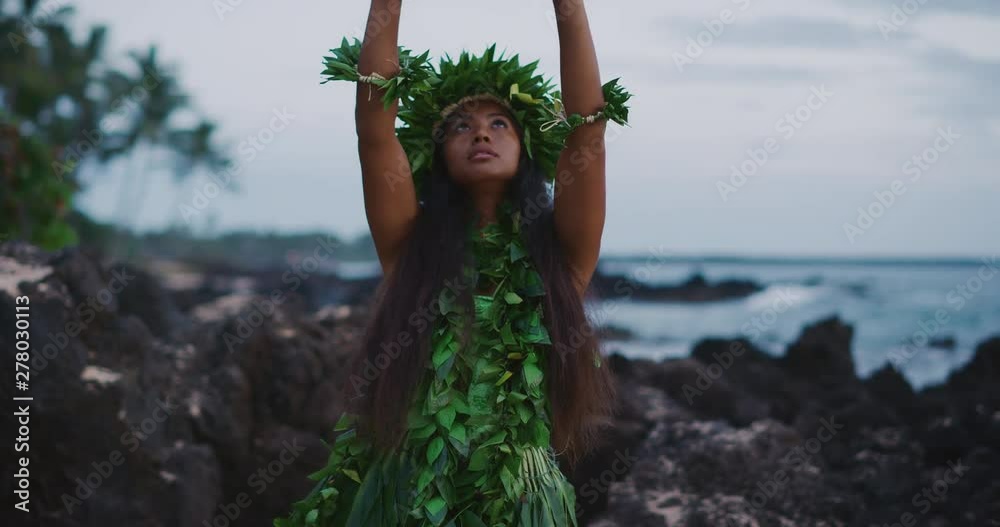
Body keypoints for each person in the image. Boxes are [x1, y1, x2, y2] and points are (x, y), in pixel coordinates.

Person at [274, 1, 631, 525]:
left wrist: (568, 6)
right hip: (407, 496)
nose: (481, 133)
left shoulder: (560, 258)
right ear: (438, 155)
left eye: (498, 124)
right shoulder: (411, 249)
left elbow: (588, 132)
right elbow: (375, 130)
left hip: (524, 501)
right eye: (460, 126)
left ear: (527, 149)